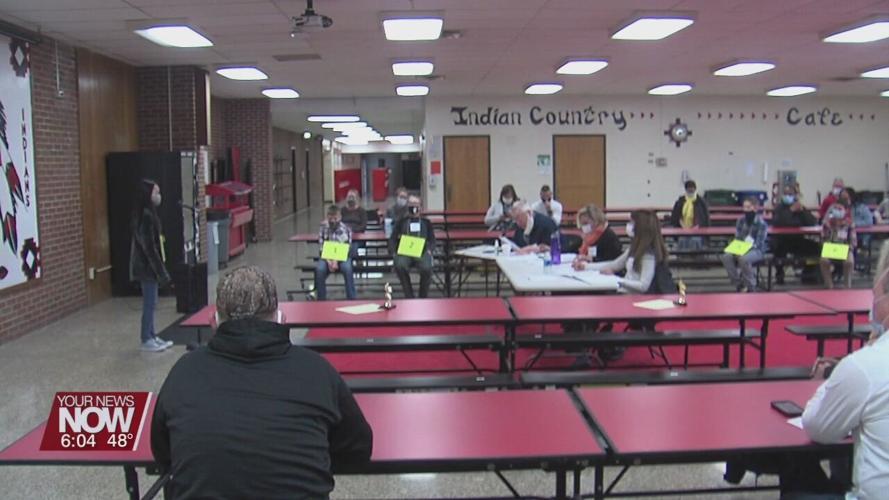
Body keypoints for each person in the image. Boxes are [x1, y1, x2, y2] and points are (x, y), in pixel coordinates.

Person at [151, 266, 373, 499]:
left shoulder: (184, 372)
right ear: (281, 319)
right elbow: (358, 448)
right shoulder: (317, 370)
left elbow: (163, 451)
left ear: (213, 323)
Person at [794, 241, 889, 500]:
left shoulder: (865, 366)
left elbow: (817, 426)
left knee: (796, 479)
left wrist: (829, 379)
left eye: (875, 296)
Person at [577, 210, 670, 294]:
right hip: (623, 292)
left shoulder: (648, 255)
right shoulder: (634, 248)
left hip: (632, 297)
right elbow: (615, 264)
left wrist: (617, 279)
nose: (628, 225)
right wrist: (586, 266)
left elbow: (643, 286)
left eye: (631, 222)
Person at [130, 179, 173, 352]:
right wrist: (161, 272)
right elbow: (149, 248)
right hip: (146, 268)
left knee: (153, 302)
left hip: (150, 267)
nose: (158, 196)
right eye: (155, 192)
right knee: (149, 302)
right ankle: (146, 337)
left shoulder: (150, 213)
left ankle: (152, 334)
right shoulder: (144, 216)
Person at [772, 183, 820, 285]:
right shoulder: (779, 208)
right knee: (778, 251)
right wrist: (790, 210)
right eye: (785, 194)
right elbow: (778, 222)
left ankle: (808, 275)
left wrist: (803, 211)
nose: (787, 196)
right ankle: (779, 276)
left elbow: (812, 222)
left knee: (816, 249)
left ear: (795, 195)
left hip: (798, 240)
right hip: (782, 240)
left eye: (790, 194)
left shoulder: (800, 207)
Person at [390, 195, 436, 298]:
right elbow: (392, 238)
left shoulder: (426, 222)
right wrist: (394, 252)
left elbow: (432, 240)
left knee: (427, 268)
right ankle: (409, 295)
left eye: (416, 204)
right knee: (400, 265)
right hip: (405, 251)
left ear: (420, 207)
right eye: (411, 204)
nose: (414, 207)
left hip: (422, 251)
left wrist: (430, 250)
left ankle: (423, 296)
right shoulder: (401, 221)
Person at [719, 197, 768, 293]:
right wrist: (736, 249)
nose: (746, 210)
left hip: (756, 250)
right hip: (740, 247)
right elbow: (738, 238)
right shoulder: (740, 221)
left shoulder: (762, 224)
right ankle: (738, 284)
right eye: (744, 207)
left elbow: (759, 243)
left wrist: (744, 251)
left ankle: (750, 286)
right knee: (726, 257)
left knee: (743, 259)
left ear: (755, 208)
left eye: (748, 207)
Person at [314, 204, 356, 300]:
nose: (333, 221)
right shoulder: (323, 228)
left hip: (342, 257)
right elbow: (321, 247)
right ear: (327, 217)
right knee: (320, 270)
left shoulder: (345, 229)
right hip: (326, 257)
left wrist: (336, 261)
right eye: (330, 218)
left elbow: (346, 248)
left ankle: (352, 298)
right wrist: (329, 261)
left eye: (335, 218)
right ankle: (321, 299)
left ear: (340, 217)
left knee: (347, 269)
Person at [820, 200, 856, 289]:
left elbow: (853, 241)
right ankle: (829, 285)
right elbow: (823, 239)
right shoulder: (827, 224)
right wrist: (833, 229)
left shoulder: (849, 224)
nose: (837, 210)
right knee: (824, 261)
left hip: (845, 248)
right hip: (831, 247)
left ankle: (847, 285)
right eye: (835, 209)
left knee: (849, 262)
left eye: (839, 209)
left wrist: (848, 248)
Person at [572, 203, 623, 268]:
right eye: (582, 224)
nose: (583, 227)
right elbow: (574, 249)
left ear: (596, 220)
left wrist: (591, 259)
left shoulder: (608, 236)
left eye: (586, 223)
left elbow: (613, 260)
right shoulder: (586, 237)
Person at [669, 180, 710, 250]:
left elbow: (705, 218)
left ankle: (696, 258)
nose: (690, 191)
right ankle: (682, 258)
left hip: (698, 231)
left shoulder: (701, 202)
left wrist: (698, 226)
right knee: (682, 240)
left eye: (692, 190)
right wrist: (680, 226)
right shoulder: (680, 201)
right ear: (686, 190)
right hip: (682, 229)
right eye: (689, 190)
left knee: (695, 240)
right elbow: (675, 217)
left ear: (695, 189)